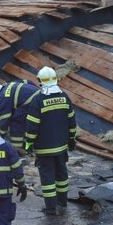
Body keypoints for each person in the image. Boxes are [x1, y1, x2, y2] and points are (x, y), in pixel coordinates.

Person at [24, 66, 77, 217]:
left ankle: (51, 209)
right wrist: (72, 139)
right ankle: (63, 202)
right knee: (61, 175)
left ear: (40, 81)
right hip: (61, 147)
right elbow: (72, 122)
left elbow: (32, 126)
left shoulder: (38, 100)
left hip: (44, 149)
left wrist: (28, 143)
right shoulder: (65, 97)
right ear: (55, 79)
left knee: (47, 179)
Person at [0, 81, 39, 151]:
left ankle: (16, 148)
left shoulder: (2, 98)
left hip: (31, 101)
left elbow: (4, 122)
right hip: (37, 97)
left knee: (15, 121)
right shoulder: (6, 87)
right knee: (20, 117)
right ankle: (25, 142)